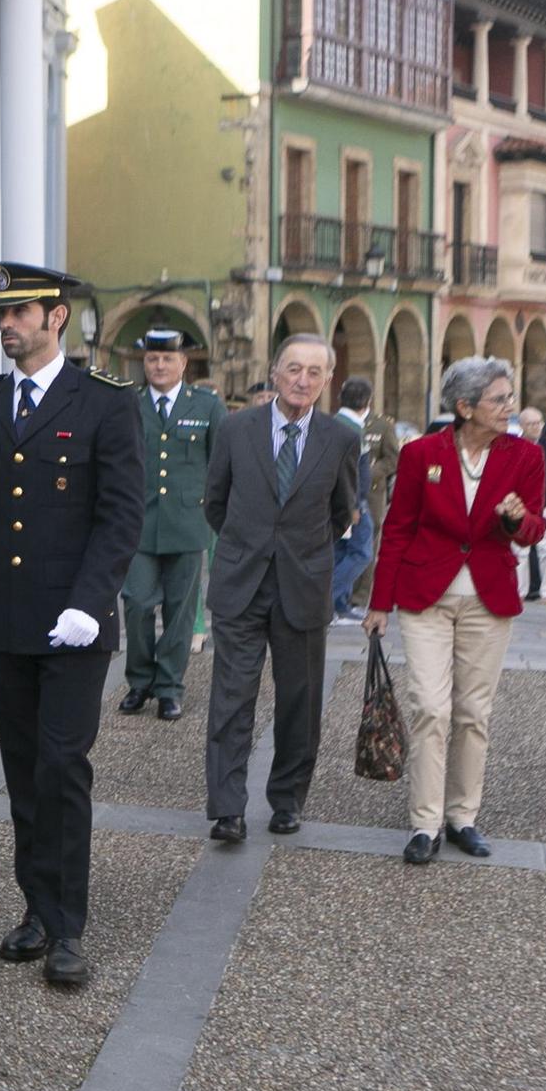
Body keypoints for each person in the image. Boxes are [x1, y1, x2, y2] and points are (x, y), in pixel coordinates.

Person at [0, 262, 142, 985]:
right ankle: (36, 906)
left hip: (74, 625)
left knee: (63, 768)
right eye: (2, 312)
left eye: (21, 312)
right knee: (24, 773)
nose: (7, 324)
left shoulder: (103, 403)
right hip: (7, 620)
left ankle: (66, 928)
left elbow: (122, 514)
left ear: (56, 317)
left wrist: (90, 603)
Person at [363, 358, 546, 864]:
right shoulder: (423, 453)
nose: (509, 408)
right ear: (464, 407)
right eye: (499, 400)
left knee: (472, 713)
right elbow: (397, 527)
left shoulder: (526, 456)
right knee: (430, 708)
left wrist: (516, 521)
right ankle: (425, 823)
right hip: (425, 596)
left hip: (489, 597)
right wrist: (380, 602)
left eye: (509, 399)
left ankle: (463, 816)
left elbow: (535, 529)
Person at [202, 333, 359, 841]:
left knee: (300, 700)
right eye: (294, 368)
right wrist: (251, 543)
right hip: (241, 583)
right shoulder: (234, 429)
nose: (303, 380)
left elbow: (343, 513)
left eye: (315, 372)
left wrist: (302, 553)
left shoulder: (340, 439)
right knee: (232, 697)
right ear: (274, 373)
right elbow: (215, 504)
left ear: (328, 380)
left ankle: (287, 799)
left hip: (303, 587)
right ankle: (227, 807)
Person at [120, 328, 223, 720]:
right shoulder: (129, 403)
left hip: (187, 522)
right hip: (139, 523)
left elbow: (219, 463)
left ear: (183, 363)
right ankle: (139, 680)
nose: (159, 365)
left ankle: (169, 687)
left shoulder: (207, 405)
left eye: (167, 359)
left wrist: (214, 514)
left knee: (180, 612)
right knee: (136, 603)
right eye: (152, 359)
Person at [348, 384, 401, 612]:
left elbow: (392, 459)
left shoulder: (382, 425)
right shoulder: (340, 421)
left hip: (371, 494)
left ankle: (359, 598)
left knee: (366, 545)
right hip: (344, 493)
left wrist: (369, 472)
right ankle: (340, 593)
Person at [328, 377, 375, 624]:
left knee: (341, 552)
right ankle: (329, 600)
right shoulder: (353, 428)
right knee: (361, 552)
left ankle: (339, 604)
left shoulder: (335, 423)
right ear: (367, 401)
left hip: (341, 502)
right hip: (352, 503)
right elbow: (355, 471)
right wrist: (355, 504)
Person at [516, 406, 546, 602]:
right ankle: (518, 591)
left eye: (539, 423)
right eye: (532, 424)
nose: (536, 427)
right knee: (519, 550)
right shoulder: (514, 445)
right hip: (522, 503)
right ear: (522, 426)